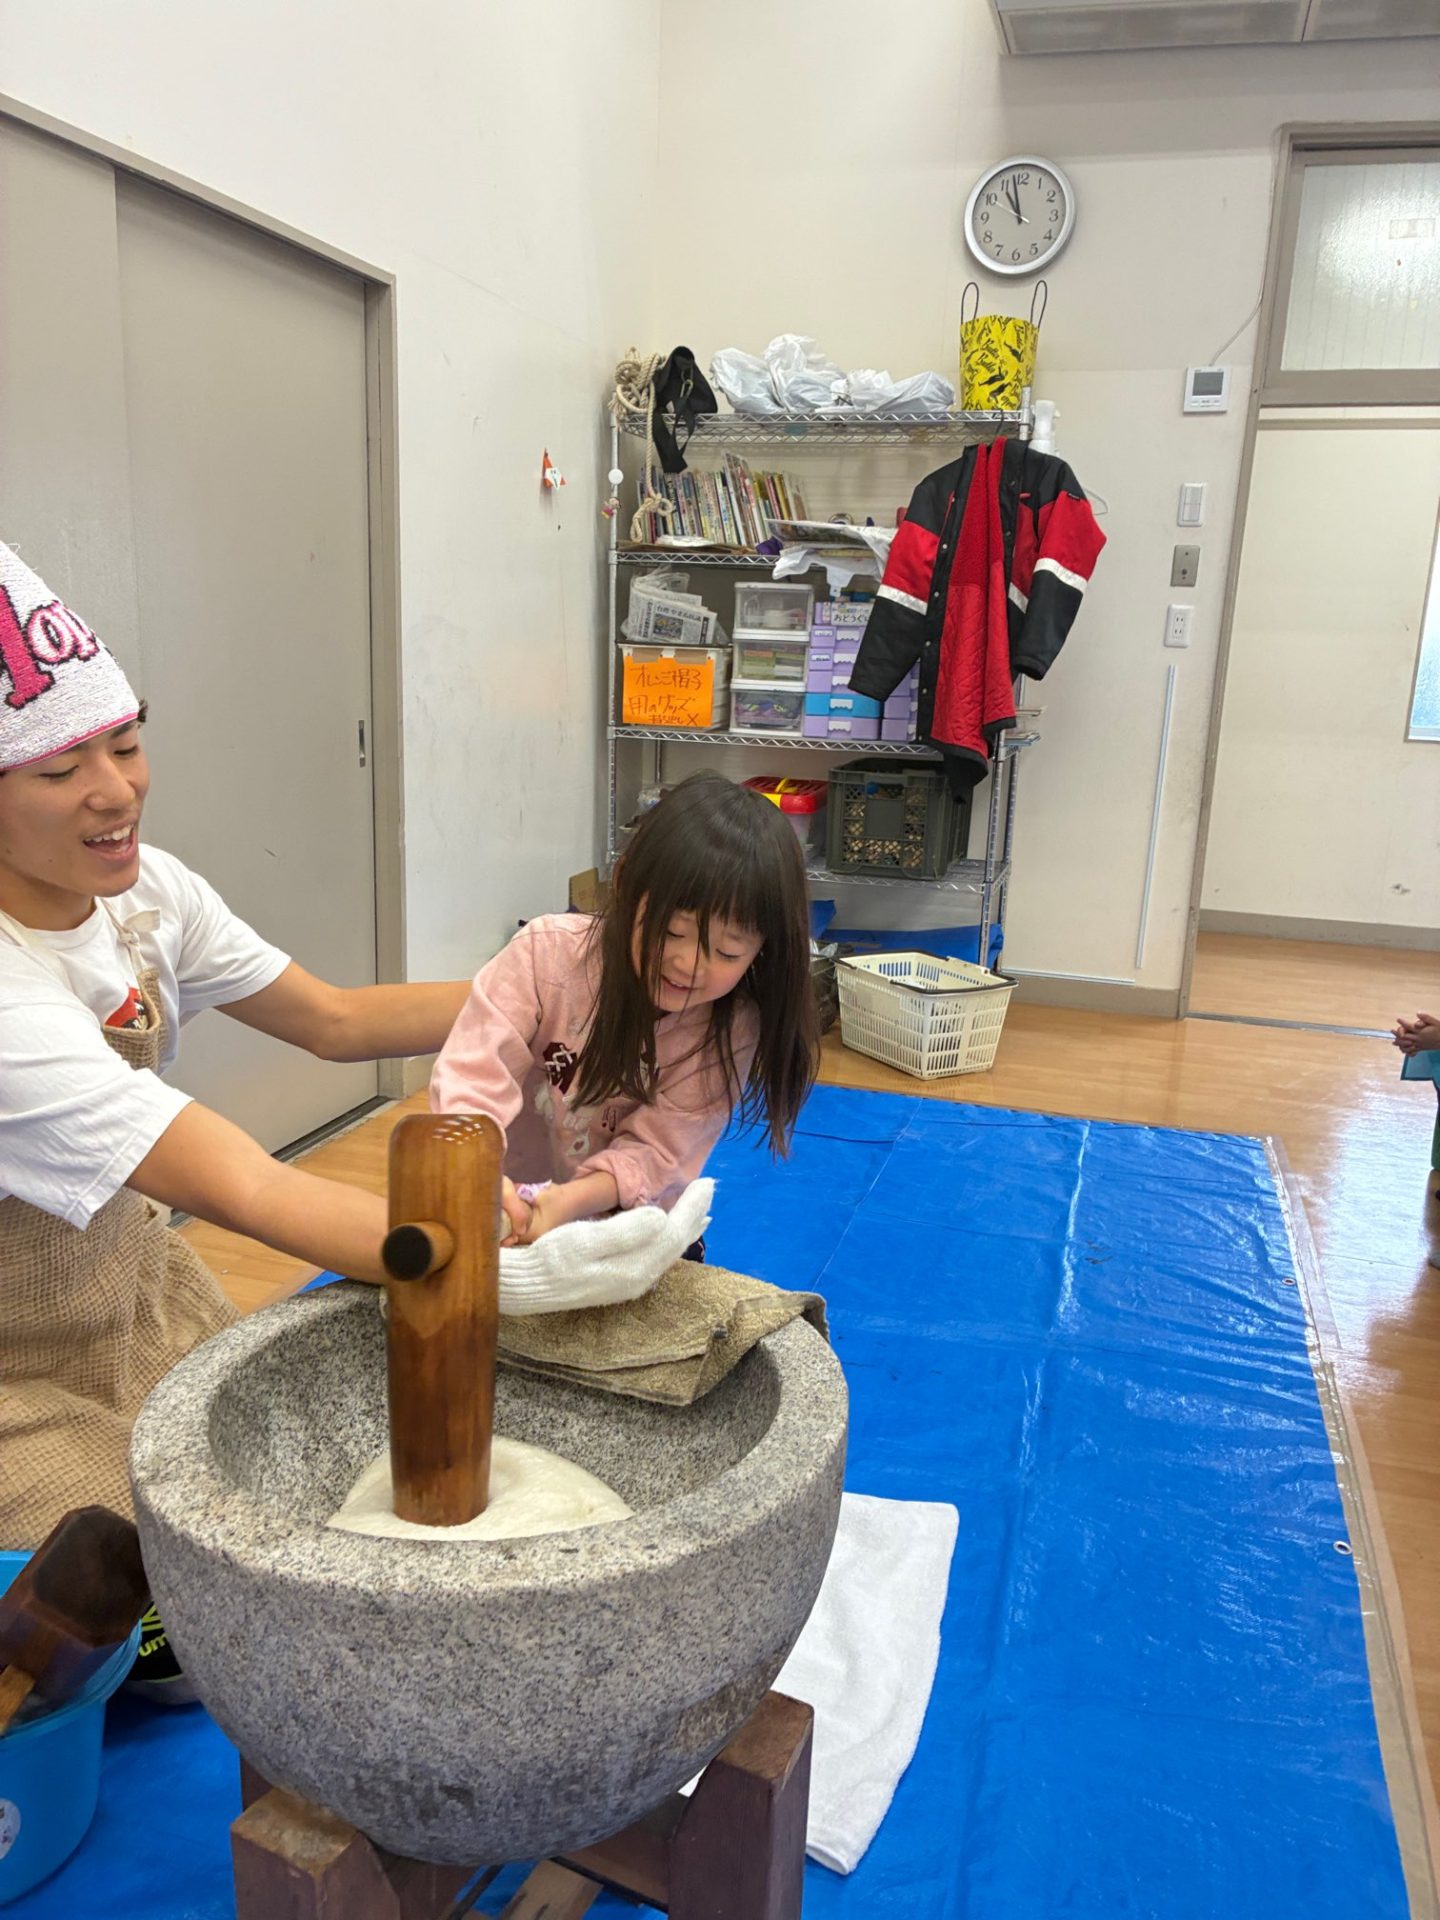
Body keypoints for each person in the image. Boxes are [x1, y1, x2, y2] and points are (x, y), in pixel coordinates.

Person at [0, 538, 472, 1558]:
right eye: (61, 769)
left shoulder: (147, 892)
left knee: (273, 1470)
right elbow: (246, 1188)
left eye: (127, 745)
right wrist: (465, 1249)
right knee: (134, 1565)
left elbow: (334, 1021)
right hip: (15, 1362)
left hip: (132, 1288)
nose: (116, 791)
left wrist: (556, 992)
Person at [431, 772, 818, 1247]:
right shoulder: (546, 955)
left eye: (727, 952)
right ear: (626, 885)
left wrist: (565, 1203)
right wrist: (478, 1172)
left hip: (627, 1228)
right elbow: (473, 1074)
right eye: (672, 932)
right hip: (499, 1205)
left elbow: (658, 1150)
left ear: (762, 950)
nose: (687, 963)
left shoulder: (731, 1027)